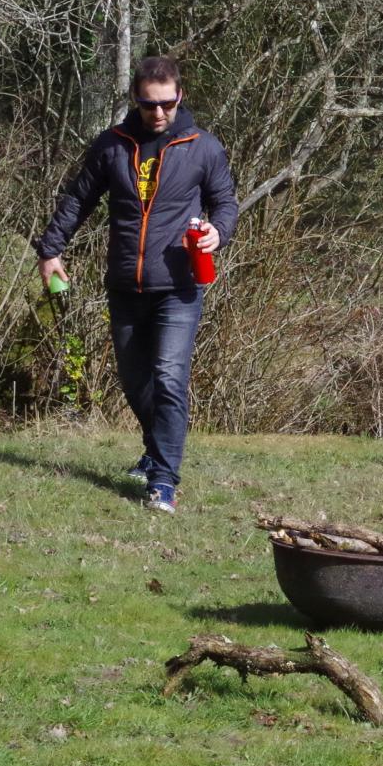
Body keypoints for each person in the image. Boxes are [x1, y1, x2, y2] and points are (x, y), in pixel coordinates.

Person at [34, 55, 238, 513]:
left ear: (180, 97)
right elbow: (78, 199)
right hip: (125, 283)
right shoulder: (112, 145)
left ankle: (164, 480)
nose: (159, 113)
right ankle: (154, 450)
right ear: (135, 100)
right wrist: (50, 250)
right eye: (149, 105)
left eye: (167, 103)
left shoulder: (202, 147)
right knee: (133, 380)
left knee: (169, 377)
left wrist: (217, 233)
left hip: (179, 285)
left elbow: (224, 201)